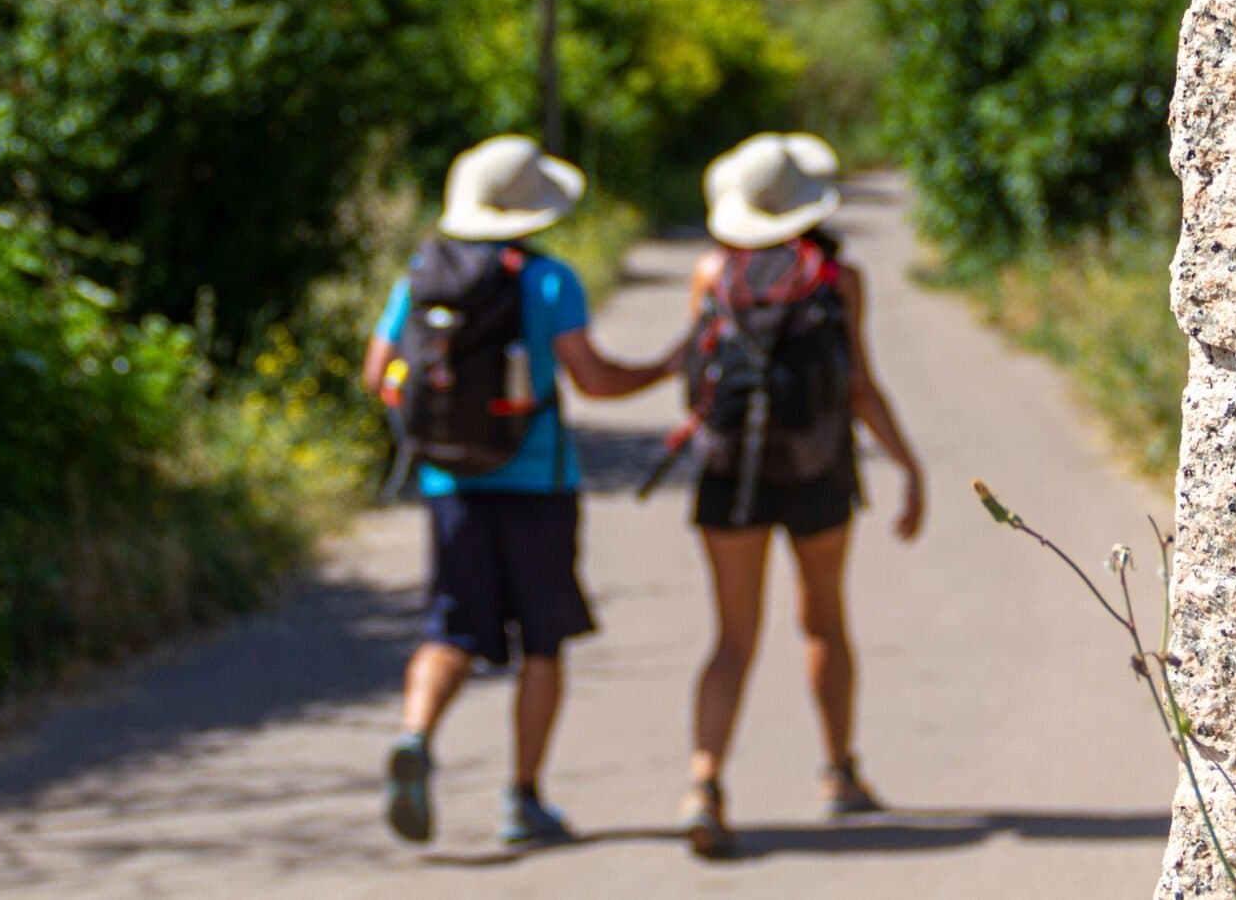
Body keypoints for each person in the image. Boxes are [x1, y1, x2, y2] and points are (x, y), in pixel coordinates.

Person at [360, 135, 671, 849]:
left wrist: (435, 423)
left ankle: (414, 733)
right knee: (542, 641)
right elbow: (593, 377)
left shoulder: (420, 278)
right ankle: (523, 796)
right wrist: (664, 367)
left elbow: (380, 373)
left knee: (451, 629)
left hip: (451, 482)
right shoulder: (550, 280)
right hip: (539, 485)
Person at [673, 133, 926, 858]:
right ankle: (839, 773)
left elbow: (695, 384)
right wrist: (908, 465)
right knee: (823, 622)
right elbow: (859, 387)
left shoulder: (710, 273)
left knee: (731, 637)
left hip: (729, 476)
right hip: (818, 471)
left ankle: (703, 783)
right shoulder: (837, 278)